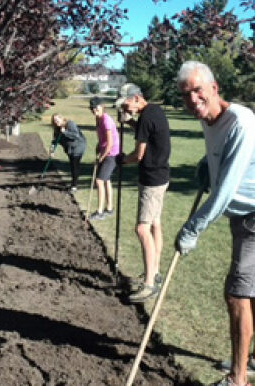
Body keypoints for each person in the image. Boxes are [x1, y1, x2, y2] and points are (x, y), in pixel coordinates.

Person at [175, 60, 255, 386]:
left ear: (214, 88)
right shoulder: (208, 120)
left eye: (197, 90)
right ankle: (249, 362)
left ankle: (237, 380)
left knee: (237, 295)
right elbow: (224, 162)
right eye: (185, 95)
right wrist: (206, 165)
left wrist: (193, 228)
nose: (193, 99)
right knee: (249, 294)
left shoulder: (241, 121)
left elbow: (225, 193)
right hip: (243, 217)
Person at [115, 83, 171, 303]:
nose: (126, 107)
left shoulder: (147, 117)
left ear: (136, 98)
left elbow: (139, 154)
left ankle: (149, 285)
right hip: (161, 176)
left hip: (151, 180)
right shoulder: (154, 111)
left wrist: (122, 160)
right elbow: (145, 132)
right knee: (155, 223)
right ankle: (154, 271)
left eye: (127, 103)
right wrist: (129, 122)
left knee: (142, 229)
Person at [89, 97, 120, 220]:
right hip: (105, 151)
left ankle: (100, 212)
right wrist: (98, 148)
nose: (94, 110)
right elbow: (102, 139)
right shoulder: (98, 119)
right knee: (106, 180)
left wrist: (101, 158)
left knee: (99, 181)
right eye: (92, 108)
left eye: (96, 108)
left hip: (111, 153)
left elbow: (110, 143)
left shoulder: (106, 120)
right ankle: (110, 208)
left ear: (102, 107)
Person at [49, 114, 86, 192]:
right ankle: (74, 183)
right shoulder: (57, 130)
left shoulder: (70, 124)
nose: (56, 122)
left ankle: (74, 186)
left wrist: (65, 132)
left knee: (74, 165)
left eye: (57, 119)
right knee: (72, 165)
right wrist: (52, 151)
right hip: (69, 149)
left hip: (78, 146)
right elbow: (54, 141)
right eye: (54, 121)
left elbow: (76, 136)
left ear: (62, 119)